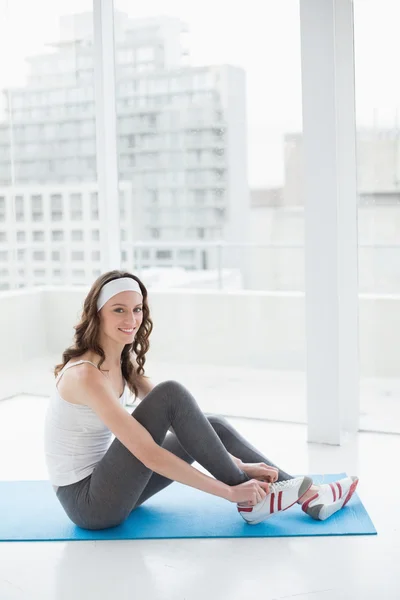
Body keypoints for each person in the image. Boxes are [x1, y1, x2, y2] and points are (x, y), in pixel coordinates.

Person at [44, 270, 359, 531]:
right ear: (97, 313)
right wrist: (229, 491)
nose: (132, 318)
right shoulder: (85, 375)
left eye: (137, 309)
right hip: (88, 504)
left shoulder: (121, 364)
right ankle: (250, 500)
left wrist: (241, 465)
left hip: (112, 488)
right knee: (171, 394)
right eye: (119, 309)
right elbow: (149, 453)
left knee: (213, 426)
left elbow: (190, 429)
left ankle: (310, 495)